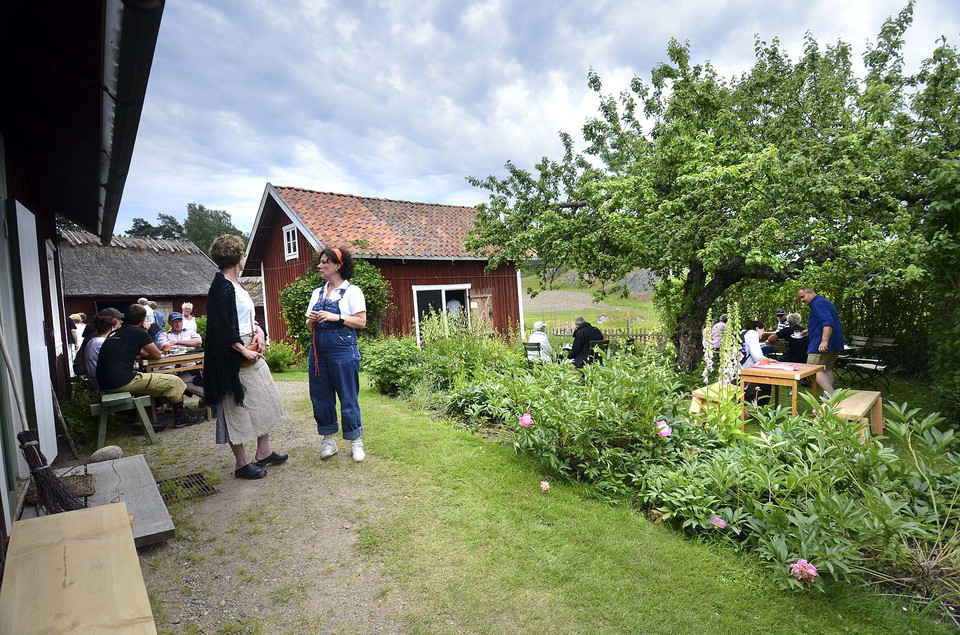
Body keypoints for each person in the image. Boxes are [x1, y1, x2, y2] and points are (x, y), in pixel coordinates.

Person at [205, 235, 288, 479]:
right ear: (237, 259)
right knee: (235, 408)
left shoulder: (237, 285)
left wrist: (260, 331)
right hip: (232, 356)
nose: (244, 258)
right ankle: (241, 464)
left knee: (266, 398)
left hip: (251, 346)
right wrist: (242, 350)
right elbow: (220, 326)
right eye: (242, 255)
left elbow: (246, 316)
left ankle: (264, 452)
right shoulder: (221, 286)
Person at [95, 304, 204, 428]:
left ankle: (142, 419)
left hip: (105, 382)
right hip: (121, 381)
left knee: (154, 383)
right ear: (142, 320)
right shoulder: (138, 333)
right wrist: (145, 331)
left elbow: (136, 353)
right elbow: (156, 355)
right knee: (175, 381)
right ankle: (181, 417)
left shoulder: (115, 333)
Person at [306, 247, 368, 462]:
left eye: (325, 262)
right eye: (320, 262)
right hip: (317, 352)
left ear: (338, 266)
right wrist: (312, 320)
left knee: (348, 396)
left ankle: (356, 441)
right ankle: (328, 441)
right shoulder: (317, 293)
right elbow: (307, 325)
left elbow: (361, 321)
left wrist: (336, 317)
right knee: (321, 397)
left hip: (343, 350)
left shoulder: (352, 292)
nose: (320, 266)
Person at [798, 286, 844, 396]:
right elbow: (824, 321)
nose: (802, 300)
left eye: (803, 297)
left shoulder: (817, 303)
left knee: (812, 369)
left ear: (811, 293)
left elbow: (827, 322)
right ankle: (827, 400)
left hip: (821, 344)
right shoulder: (824, 302)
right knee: (826, 370)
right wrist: (810, 330)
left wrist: (824, 341)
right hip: (835, 342)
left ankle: (834, 397)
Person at [158, 312, 204, 398]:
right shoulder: (163, 335)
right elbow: (165, 347)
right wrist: (188, 344)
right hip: (170, 368)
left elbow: (198, 341)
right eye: (175, 321)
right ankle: (211, 400)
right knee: (172, 381)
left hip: (190, 367)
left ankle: (177, 406)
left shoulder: (190, 332)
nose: (178, 323)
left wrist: (177, 342)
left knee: (176, 383)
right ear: (169, 323)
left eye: (180, 321)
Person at [82, 310, 122, 390]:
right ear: (112, 327)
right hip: (104, 382)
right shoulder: (103, 343)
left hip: (95, 379)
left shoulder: (92, 341)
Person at [741, 320, 773, 404]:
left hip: (737, 369)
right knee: (766, 381)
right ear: (757, 328)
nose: (762, 335)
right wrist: (768, 360)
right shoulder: (753, 333)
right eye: (762, 331)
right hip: (746, 371)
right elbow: (757, 355)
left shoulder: (742, 333)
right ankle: (756, 409)